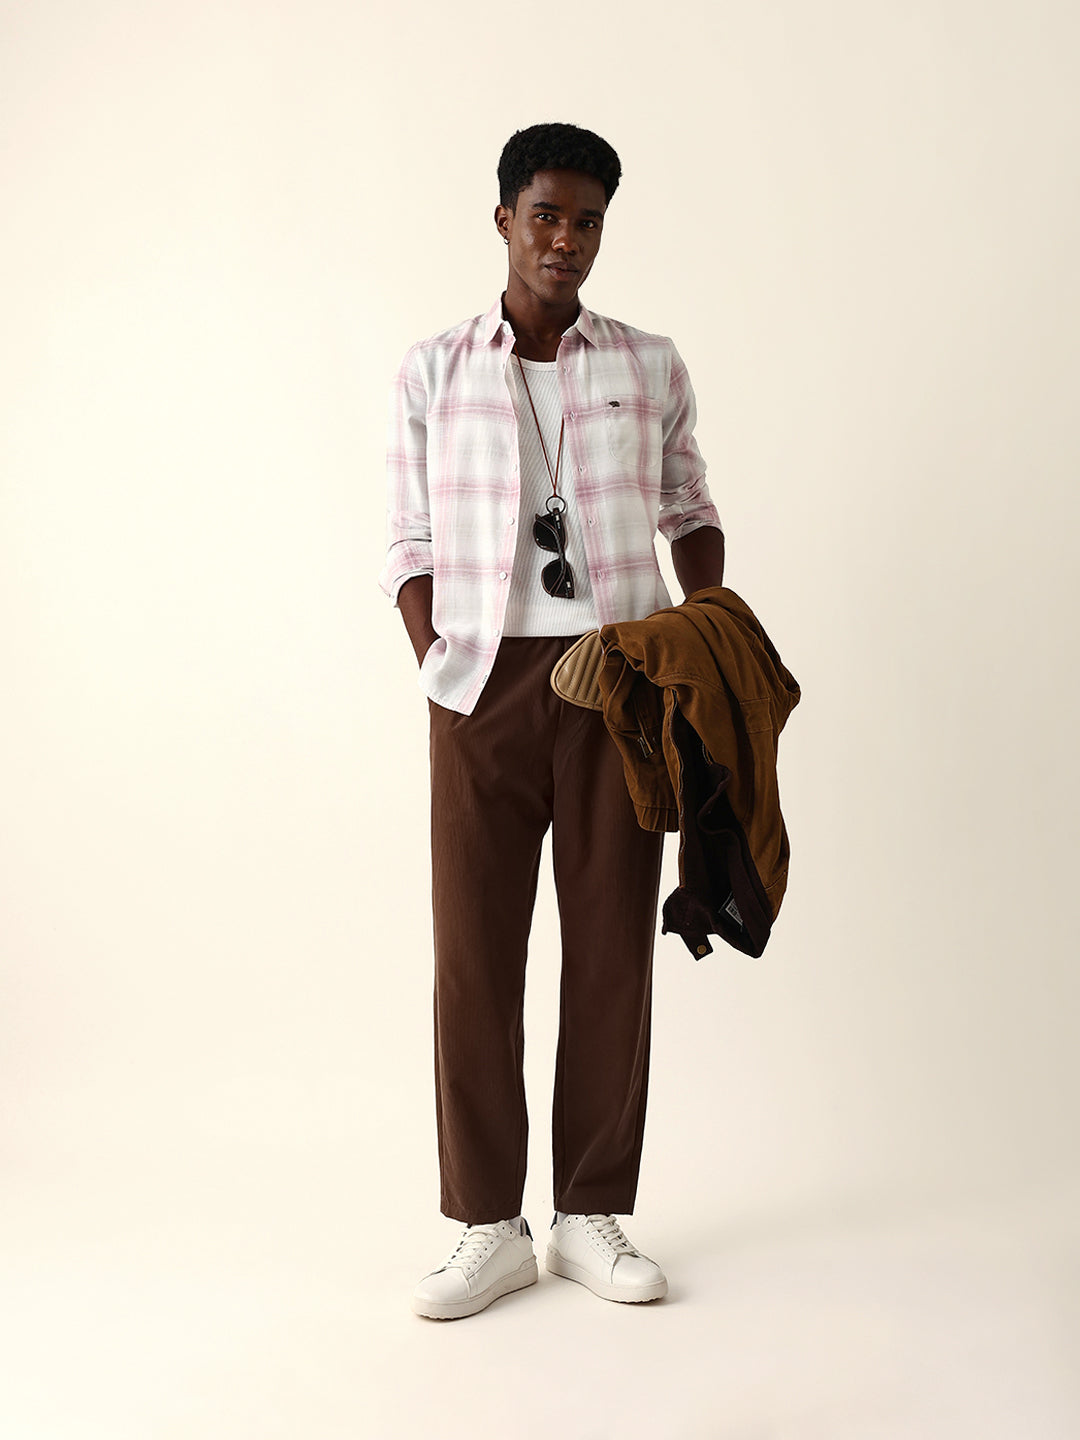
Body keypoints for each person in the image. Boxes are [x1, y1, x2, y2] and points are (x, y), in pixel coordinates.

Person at [379, 122, 726, 1321]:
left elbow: (691, 509)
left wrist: (702, 637)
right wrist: (438, 661)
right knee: (474, 957)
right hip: (482, 686)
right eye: (546, 216)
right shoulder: (435, 368)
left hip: (619, 680)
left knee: (613, 945)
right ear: (505, 221)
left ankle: (589, 1214)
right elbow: (406, 540)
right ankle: (487, 1224)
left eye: (586, 220)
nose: (566, 239)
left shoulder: (649, 361)